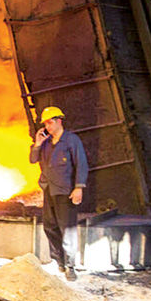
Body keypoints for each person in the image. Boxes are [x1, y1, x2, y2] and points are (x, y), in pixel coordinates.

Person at [29, 105, 87, 281]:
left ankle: (70, 266)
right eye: (45, 123)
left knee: (67, 229)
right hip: (49, 190)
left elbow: (81, 164)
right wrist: (37, 144)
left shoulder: (71, 140)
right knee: (50, 226)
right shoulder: (46, 143)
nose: (47, 126)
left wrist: (78, 187)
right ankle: (58, 262)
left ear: (59, 121)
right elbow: (32, 159)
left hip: (65, 191)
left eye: (49, 122)